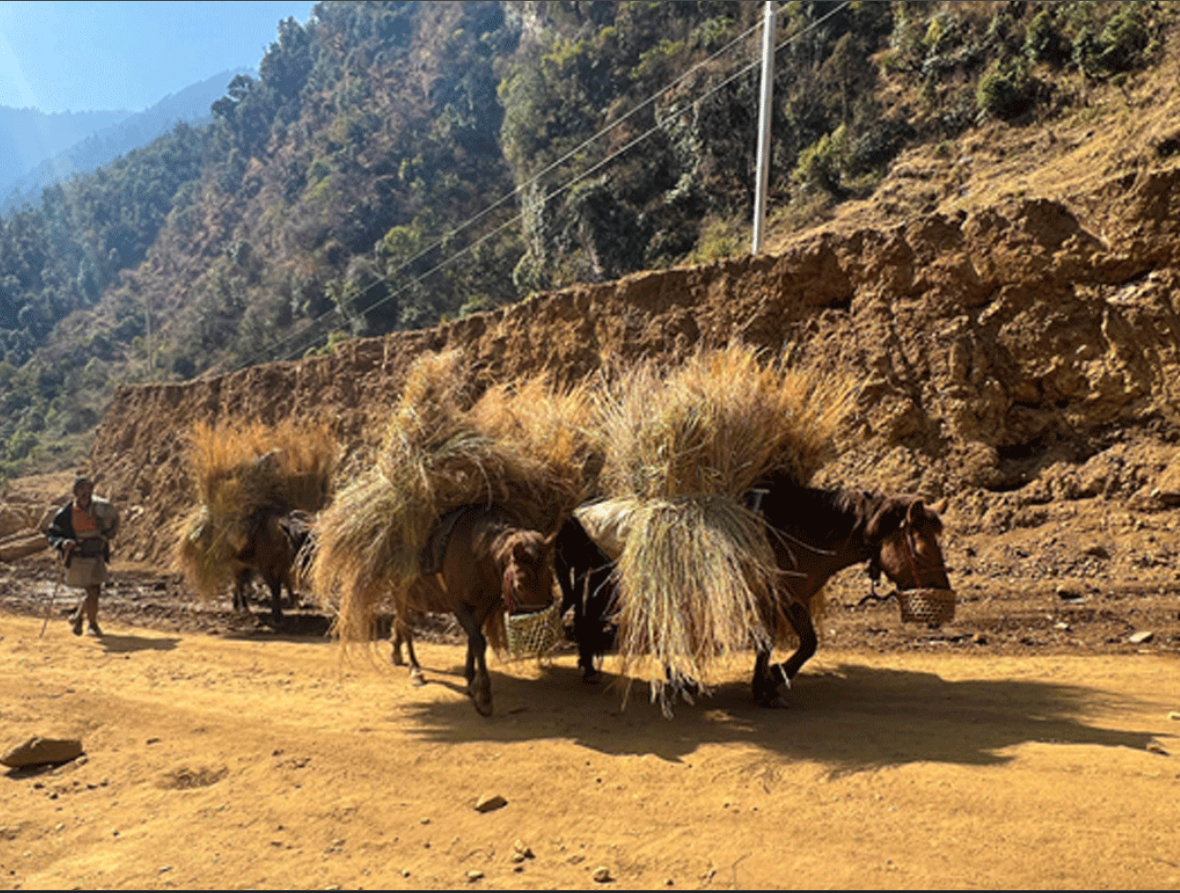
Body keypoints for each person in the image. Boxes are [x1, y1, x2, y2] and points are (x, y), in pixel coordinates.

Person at [46, 475, 120, 637]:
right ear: (75, 492)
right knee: (92, 591)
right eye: (82, 489)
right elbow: (52, 534)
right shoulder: (66, 513)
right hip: (78, 557)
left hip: (96, 555)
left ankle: (82, 619)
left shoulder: (101, 509)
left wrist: (107, 530)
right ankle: (90, 624)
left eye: (89, 489)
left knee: (94, 591)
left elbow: (112, 526)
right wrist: (64, 542)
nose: (86, 492)